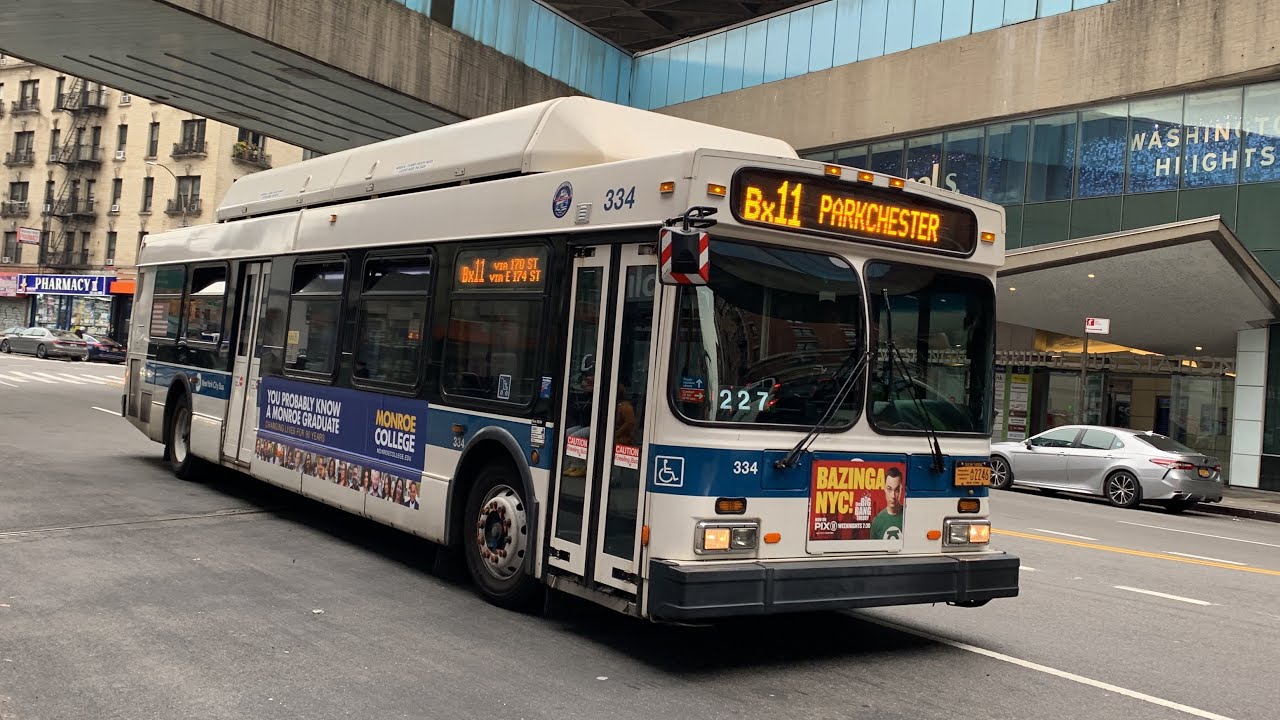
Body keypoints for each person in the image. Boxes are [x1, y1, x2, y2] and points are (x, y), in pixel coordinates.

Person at [871, 466, 905, 540]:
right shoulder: (877, 521)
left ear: (901, 489)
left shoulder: (908, 516)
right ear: (884, 489)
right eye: (889, 489)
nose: (893, 496)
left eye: (897, 490)